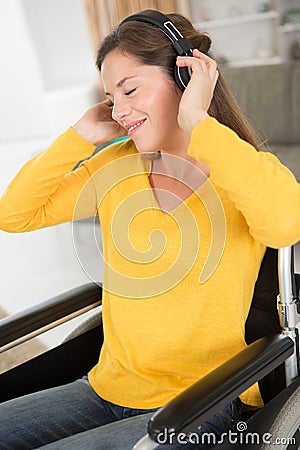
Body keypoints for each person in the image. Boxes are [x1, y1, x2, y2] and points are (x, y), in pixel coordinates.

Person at [0, 9, 299, 450]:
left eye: (130, 90)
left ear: (183, 79)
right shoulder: (112, 166)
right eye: (110, 97)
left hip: (203, 403)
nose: (119, 111)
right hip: (106, 388)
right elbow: (15, 214)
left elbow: (285, 223)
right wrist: (81, 133)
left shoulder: (239, 170)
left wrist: (198, 118)